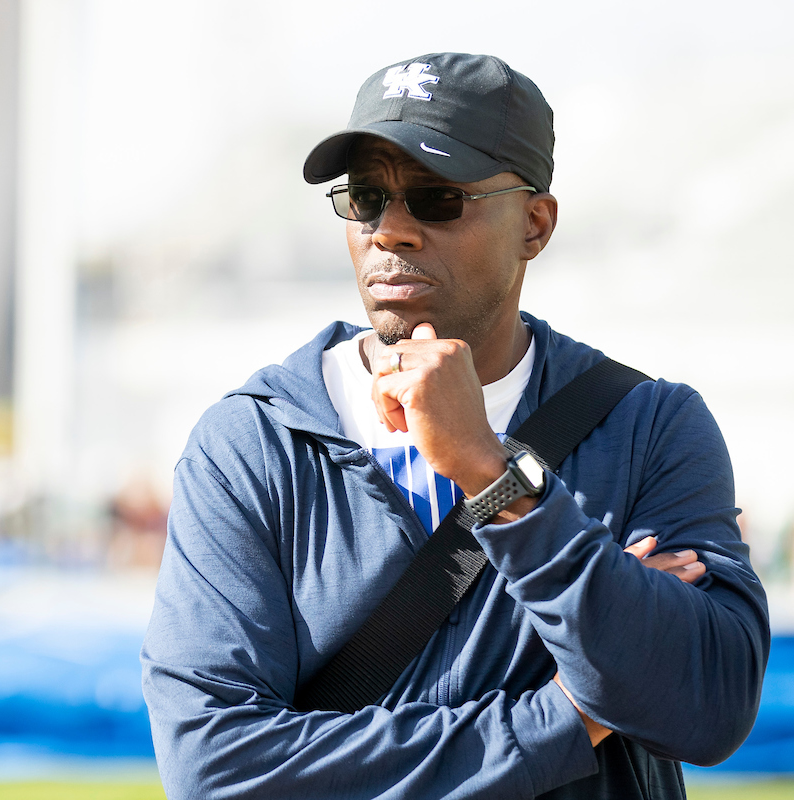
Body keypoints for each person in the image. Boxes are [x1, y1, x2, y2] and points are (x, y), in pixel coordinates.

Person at [140, 53, 769, 799]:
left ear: (535, 223)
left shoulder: (647, 425)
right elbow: (215, 769)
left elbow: (707, 708)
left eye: (436, 198)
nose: (390, 231)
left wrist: (494, 478)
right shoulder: (253, 444)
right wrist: (564, 717)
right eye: (367, 197)